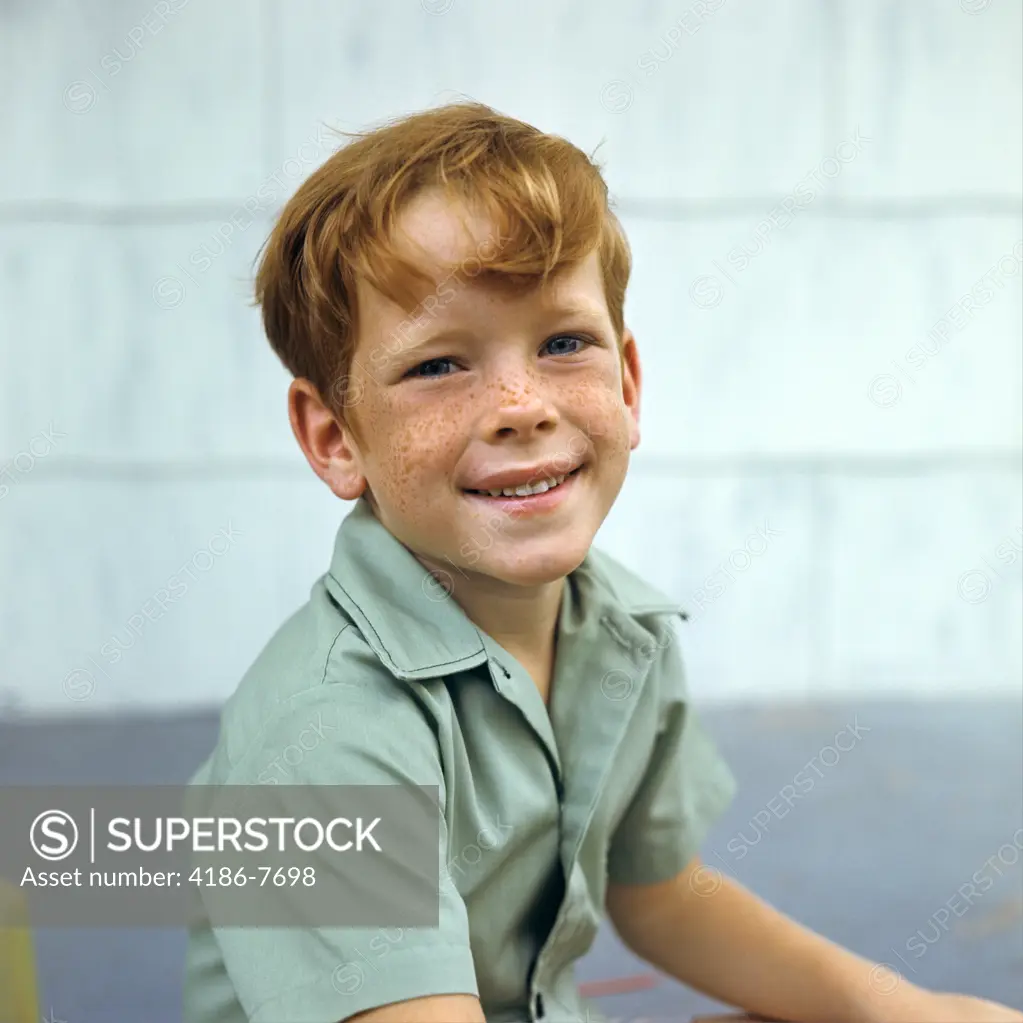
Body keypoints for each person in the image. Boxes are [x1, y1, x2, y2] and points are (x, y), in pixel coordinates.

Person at [181, 101, 1023, 1023]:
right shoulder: (324, 736)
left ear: (626, 383)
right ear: (335, 436)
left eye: (562, 343)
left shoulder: (619, 630)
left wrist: (900, 1007)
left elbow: (658, 891)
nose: (519, 403)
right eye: (437, 365)